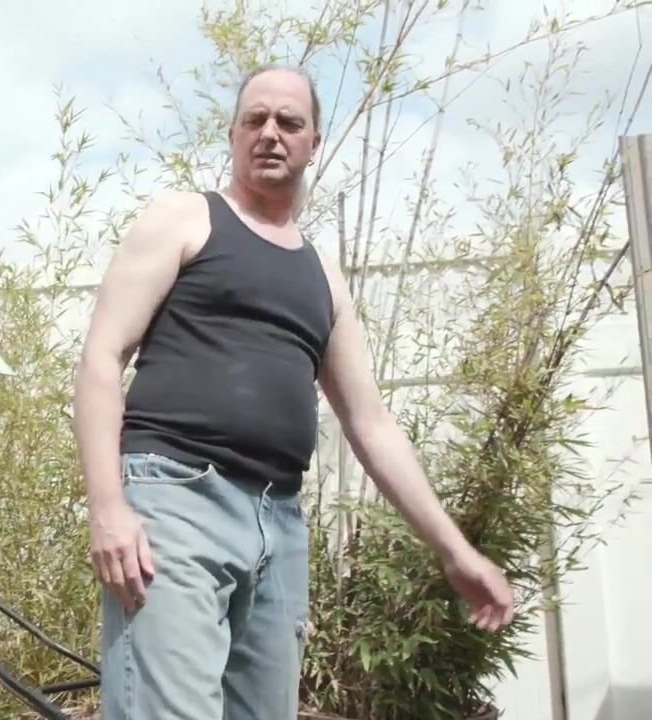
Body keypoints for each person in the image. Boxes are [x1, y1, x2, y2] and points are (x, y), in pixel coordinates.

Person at [71, 64, 516, 719]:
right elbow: (101, 359)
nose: (270, 133)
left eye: (289, 121)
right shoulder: (184, 219)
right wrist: (108, 507)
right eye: (255, 119)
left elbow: (372, 425)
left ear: (313, 142)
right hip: (174, 498)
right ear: (232, 135)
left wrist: (456, 550)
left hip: (278, 522)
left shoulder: (323, 277)